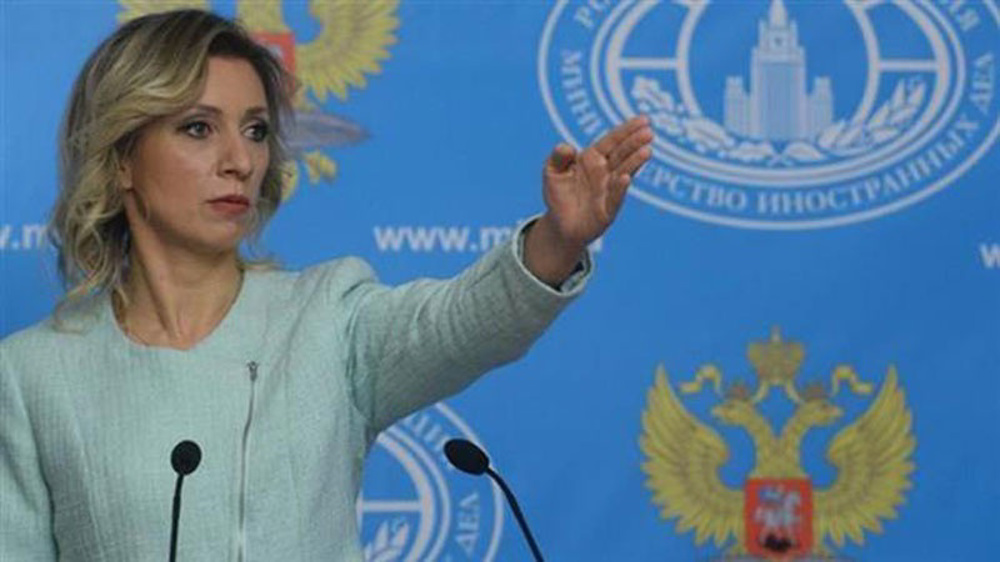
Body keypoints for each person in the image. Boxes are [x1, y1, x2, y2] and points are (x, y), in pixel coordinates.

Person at [0, 9, 653, 561]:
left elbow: (462, 323)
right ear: (122, 160)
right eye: (199, 128)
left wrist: (558, 239)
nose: (240, 160)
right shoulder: (33, 377)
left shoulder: (327, 317)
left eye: (256, 130)